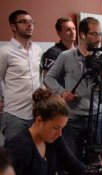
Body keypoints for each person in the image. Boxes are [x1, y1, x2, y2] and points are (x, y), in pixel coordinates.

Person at [45, 17, 102, 160]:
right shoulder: (66, 56)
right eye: (94, 34)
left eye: (100, 34)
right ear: (83, 35)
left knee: (95, 160)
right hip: (72, 118)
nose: (98, 38)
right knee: (71, 158)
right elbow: (49, 78)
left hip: (97, 117)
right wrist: (62, 92)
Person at [4, 88, 87, 175]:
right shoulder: (19, 148)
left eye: (62, 128)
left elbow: (73, 164)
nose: (59, 134)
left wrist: (97, 170)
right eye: (56, 128)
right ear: (39, 121)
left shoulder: (54, 139)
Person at [0, 10, 42, 143]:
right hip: (15, 115)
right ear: (13, 27)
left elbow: (39, 77)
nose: (29, 25)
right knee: (15, 157)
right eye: (23, 22)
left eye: (31, 22)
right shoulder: (5, 52)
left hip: (36, 113)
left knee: (35, 155)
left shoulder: (37, 50)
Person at [41, 17, 76, 86]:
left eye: (73, 29)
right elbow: (47, 80)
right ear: (59, 33)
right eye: (68, 30)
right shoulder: (52, 53)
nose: (72, 32)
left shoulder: (79, 50)